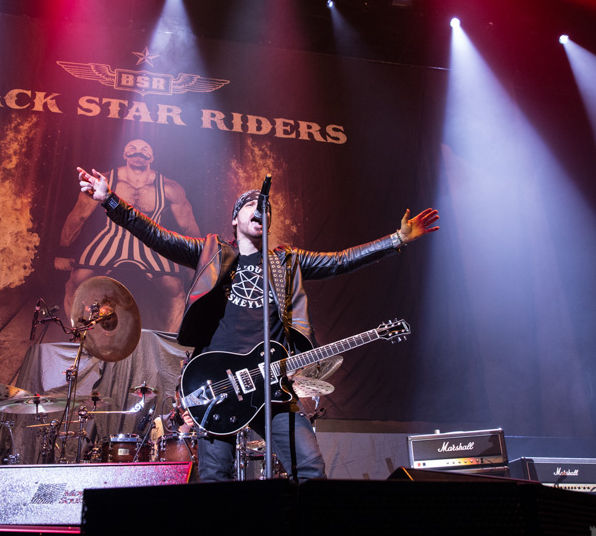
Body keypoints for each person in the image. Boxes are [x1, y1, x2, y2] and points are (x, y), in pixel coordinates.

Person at [75, 165, 440, 482]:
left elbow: (341, 261)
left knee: (311, 469)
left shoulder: (287, 262)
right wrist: (111, 201)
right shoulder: (212, 252)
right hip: (216, 384)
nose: (260, 210)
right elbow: (155, 235)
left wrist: (396, 239)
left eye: (265, 207)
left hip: (272, 387)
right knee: (216, 477)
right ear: (235, 218)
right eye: (252, 204)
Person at [56, 139, 200, 331]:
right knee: (75, 284)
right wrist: (63, 251)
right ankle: (80, 338)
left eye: (144, 149)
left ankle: (167, 342)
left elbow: (188, 225)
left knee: (175, 291)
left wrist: (196, 260)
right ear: (124, 154)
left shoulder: (169, 187)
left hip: (152, 241)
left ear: (152, 157)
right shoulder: (105, 181)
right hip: (112, 237)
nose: (138, 152)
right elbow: (79, 215)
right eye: (132, 148)